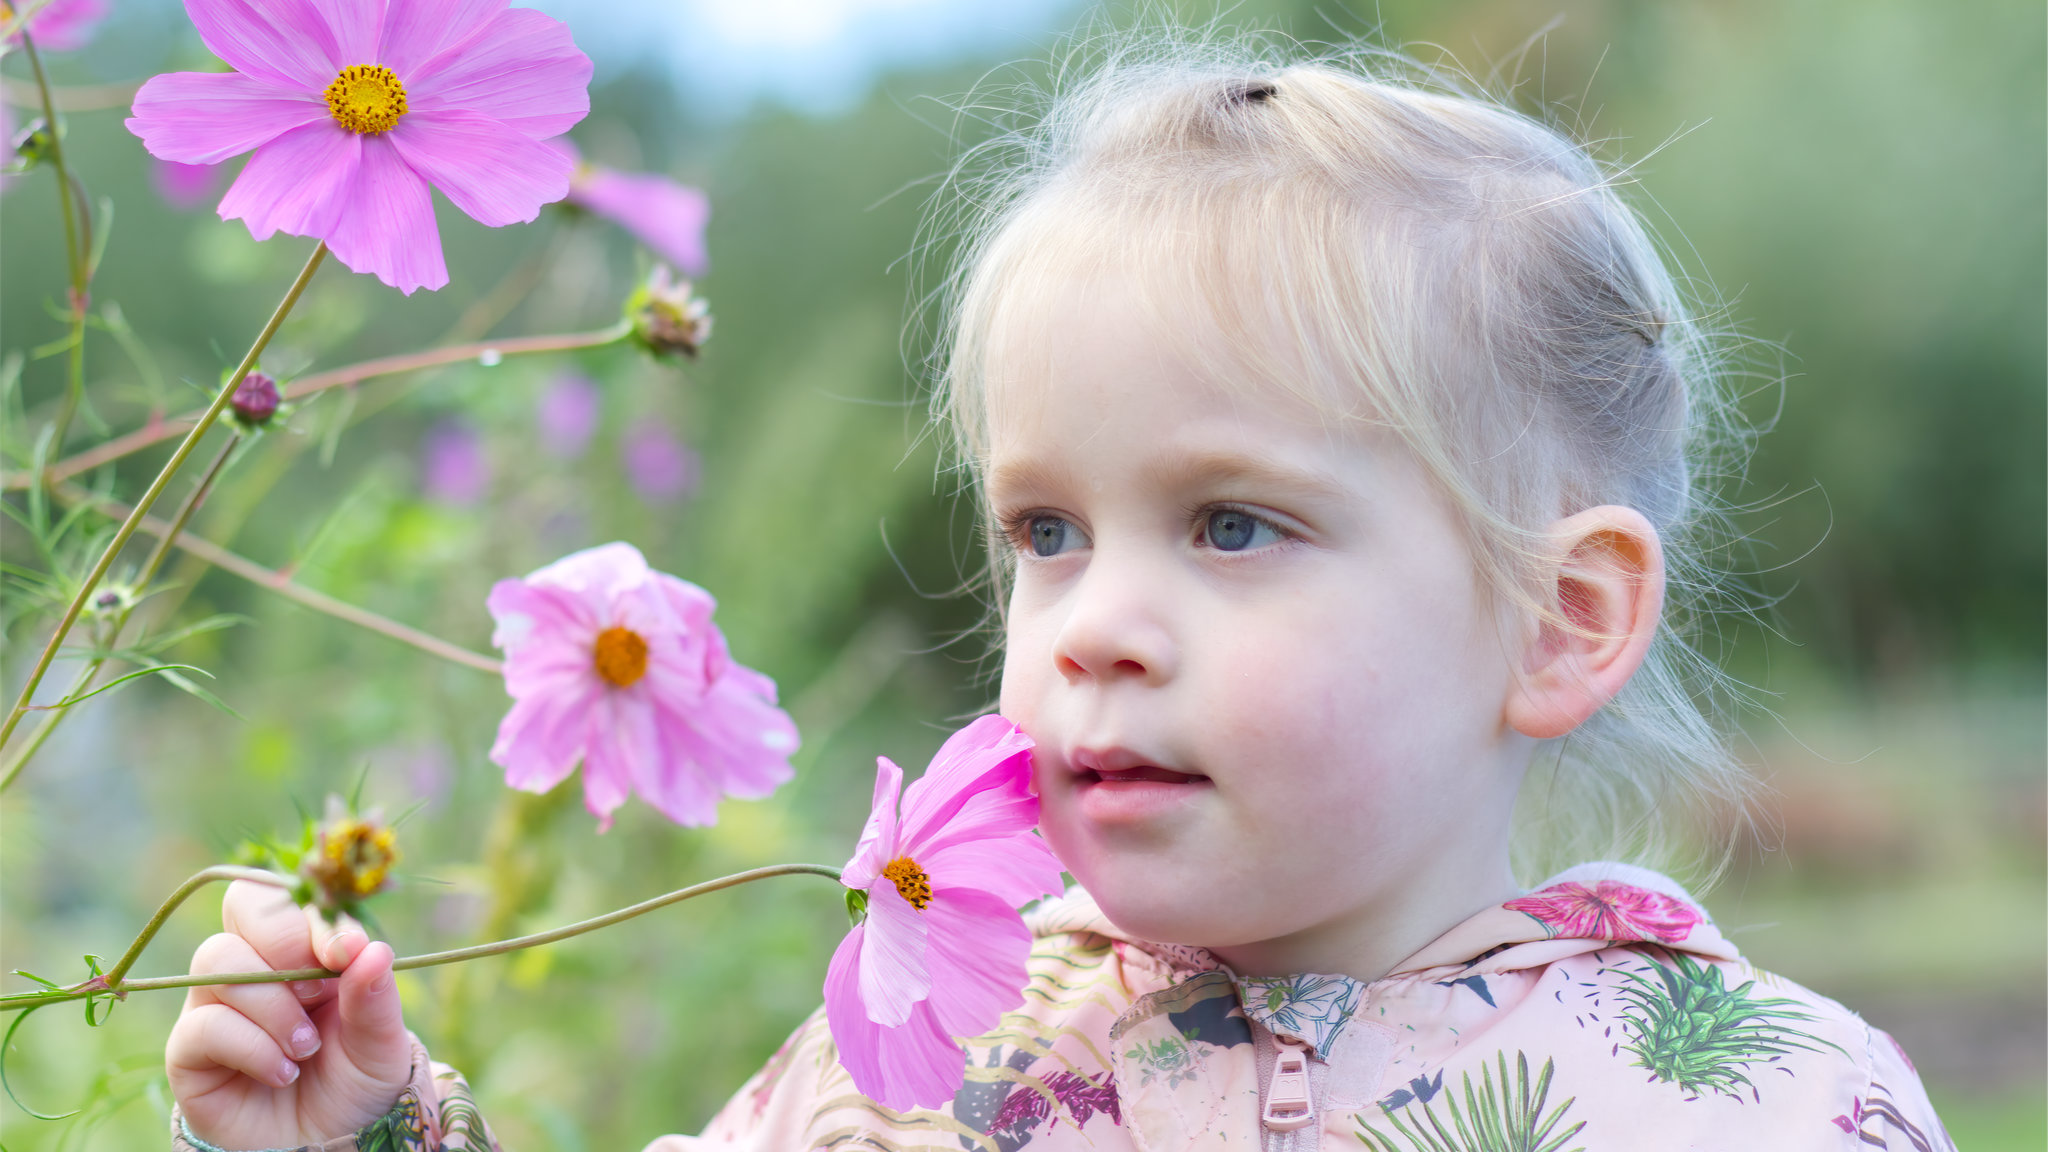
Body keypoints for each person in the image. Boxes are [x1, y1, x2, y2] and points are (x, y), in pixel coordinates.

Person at [161, 39, 1954, 1152]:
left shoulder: (1764, 1102)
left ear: (1559, 622)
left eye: (1235, 526)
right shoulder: (919, 1068)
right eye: (1047, 531)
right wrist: (373, 1138)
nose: (1092, 622)